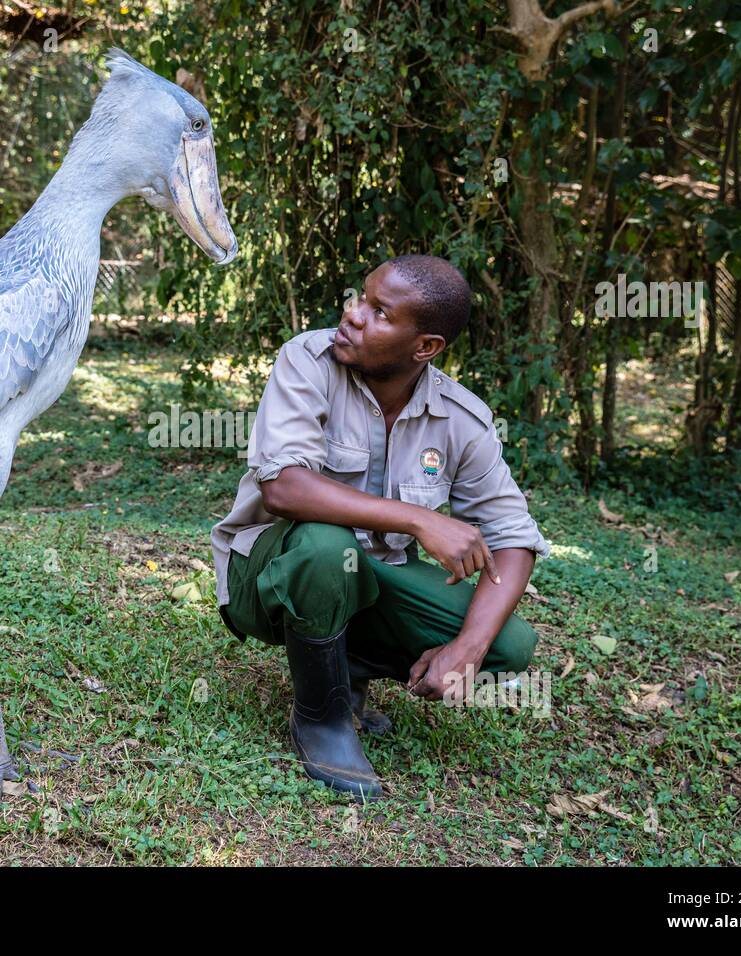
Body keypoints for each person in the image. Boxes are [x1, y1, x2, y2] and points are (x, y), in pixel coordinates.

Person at [210, 254, 550, 801]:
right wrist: (421, 519)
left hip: (370, 584)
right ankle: (322, 717)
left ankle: (345, 669)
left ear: (426, 347)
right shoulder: (308, 360)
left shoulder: (461, 419)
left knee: (507, 643)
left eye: (379, 312)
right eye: (360, 298)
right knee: (326, 544)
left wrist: (468, 646)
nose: (352, 314)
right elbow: (285, 487)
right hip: (267, 575)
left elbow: (513, 534)